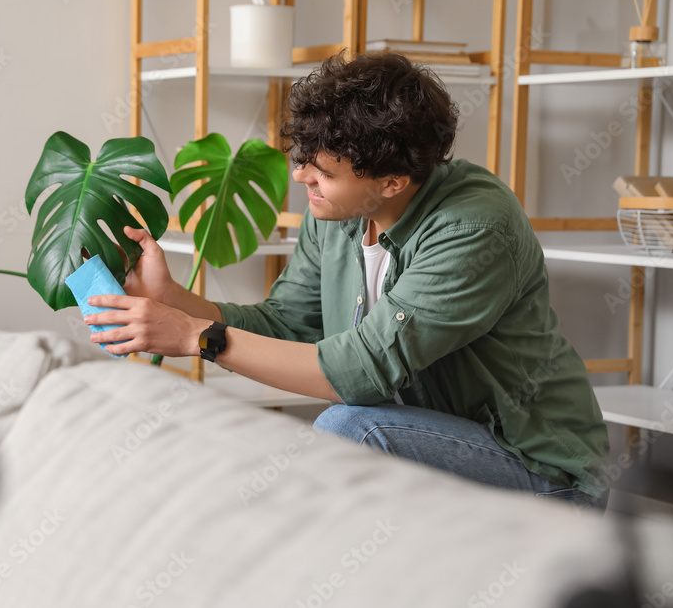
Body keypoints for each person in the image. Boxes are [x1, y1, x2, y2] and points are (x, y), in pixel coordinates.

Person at [84, 52, 610, 510]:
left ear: (391, 181)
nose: (300, 179)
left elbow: (360, 372)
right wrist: (173, 300)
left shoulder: (474, 228)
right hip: (434, 440)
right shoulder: (339, 211)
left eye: (324, 174)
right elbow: (287, 324)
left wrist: (196, 339)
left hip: (539, 469)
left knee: (352, 428)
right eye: (304, 162)